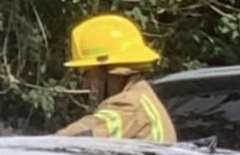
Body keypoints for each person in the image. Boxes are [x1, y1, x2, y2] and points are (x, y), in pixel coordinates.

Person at [57, 14, 177, 143]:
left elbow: (83, 134)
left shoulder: (129, 105)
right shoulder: (141, 95)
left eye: (88, 74)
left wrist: (43, 146)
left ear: (107, 70)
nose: (86, 85)